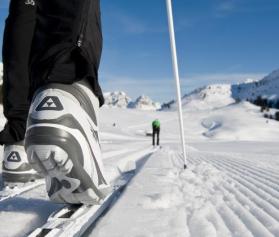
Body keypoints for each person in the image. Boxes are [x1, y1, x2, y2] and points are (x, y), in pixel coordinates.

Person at [0, 0, 109, 204]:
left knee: (25, 6)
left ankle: (19, 136)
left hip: (26, 98)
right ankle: (68, 88)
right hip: (68, 68)